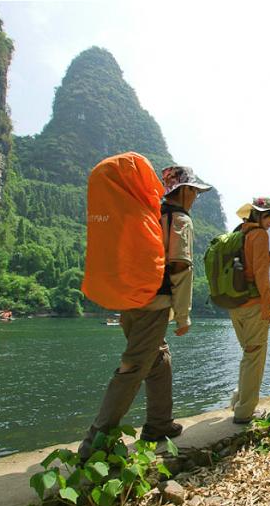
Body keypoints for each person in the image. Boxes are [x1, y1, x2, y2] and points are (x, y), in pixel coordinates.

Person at [78, 166, 211, 459]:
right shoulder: (179, 219)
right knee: (133, 367)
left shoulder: (150, 213)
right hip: (156, 303)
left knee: (159, 359)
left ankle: (159, 424)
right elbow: (180, 266)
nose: (196, 198)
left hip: (130, 299)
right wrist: (183, 313)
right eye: (195, 192)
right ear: (185, 191)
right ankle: (93, 446)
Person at [229, 197, 270, 424]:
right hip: (253, 304)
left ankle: (238, 399)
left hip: (234, 303)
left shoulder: (239, 232)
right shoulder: (260, 235)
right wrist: (268, 306)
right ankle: (245, 412)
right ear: (261, 215)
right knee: (255, 357)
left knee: (248, 354)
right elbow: (262, 274)